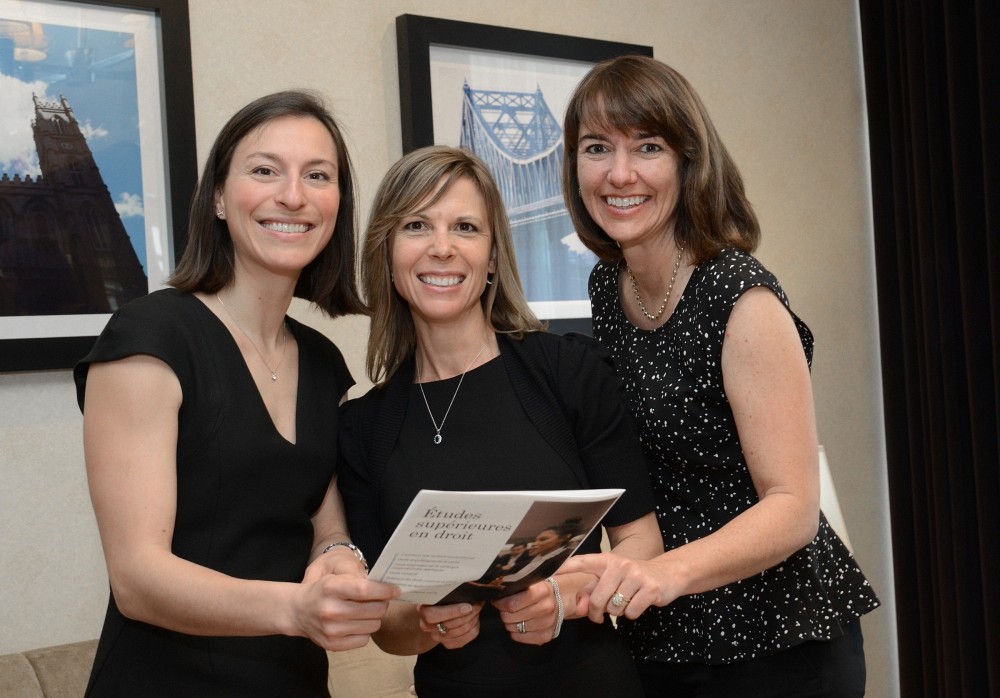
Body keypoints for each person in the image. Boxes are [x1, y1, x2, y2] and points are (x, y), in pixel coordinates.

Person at [556, 55, 881, 697]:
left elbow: (792, 507)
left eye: (647, 147)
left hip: (777, 642)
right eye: (597, 148)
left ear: (687, 161)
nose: (619, 173)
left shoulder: (740, 297)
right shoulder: (607, 285)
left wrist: (665, 573)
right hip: (666, 632)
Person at [74, 90, 398, 697]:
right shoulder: (150, 336)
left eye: (318, 176)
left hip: (293, 681)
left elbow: (325, 527)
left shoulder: (324, 362)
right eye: (264, 170)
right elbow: (137, 579)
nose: (293, 196)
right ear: (219, 198)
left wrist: (339, 559)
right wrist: (297, 609)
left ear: (337, 205)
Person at [337, 145, 664, 696]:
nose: (442, 249)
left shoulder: (568, 373)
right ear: (388, 253)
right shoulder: (361, 427)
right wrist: (421, 625)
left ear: (492, 258)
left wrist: (567, 596)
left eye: (465, 227)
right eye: (417, 226)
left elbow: (643, 545)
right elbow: (385, 625)